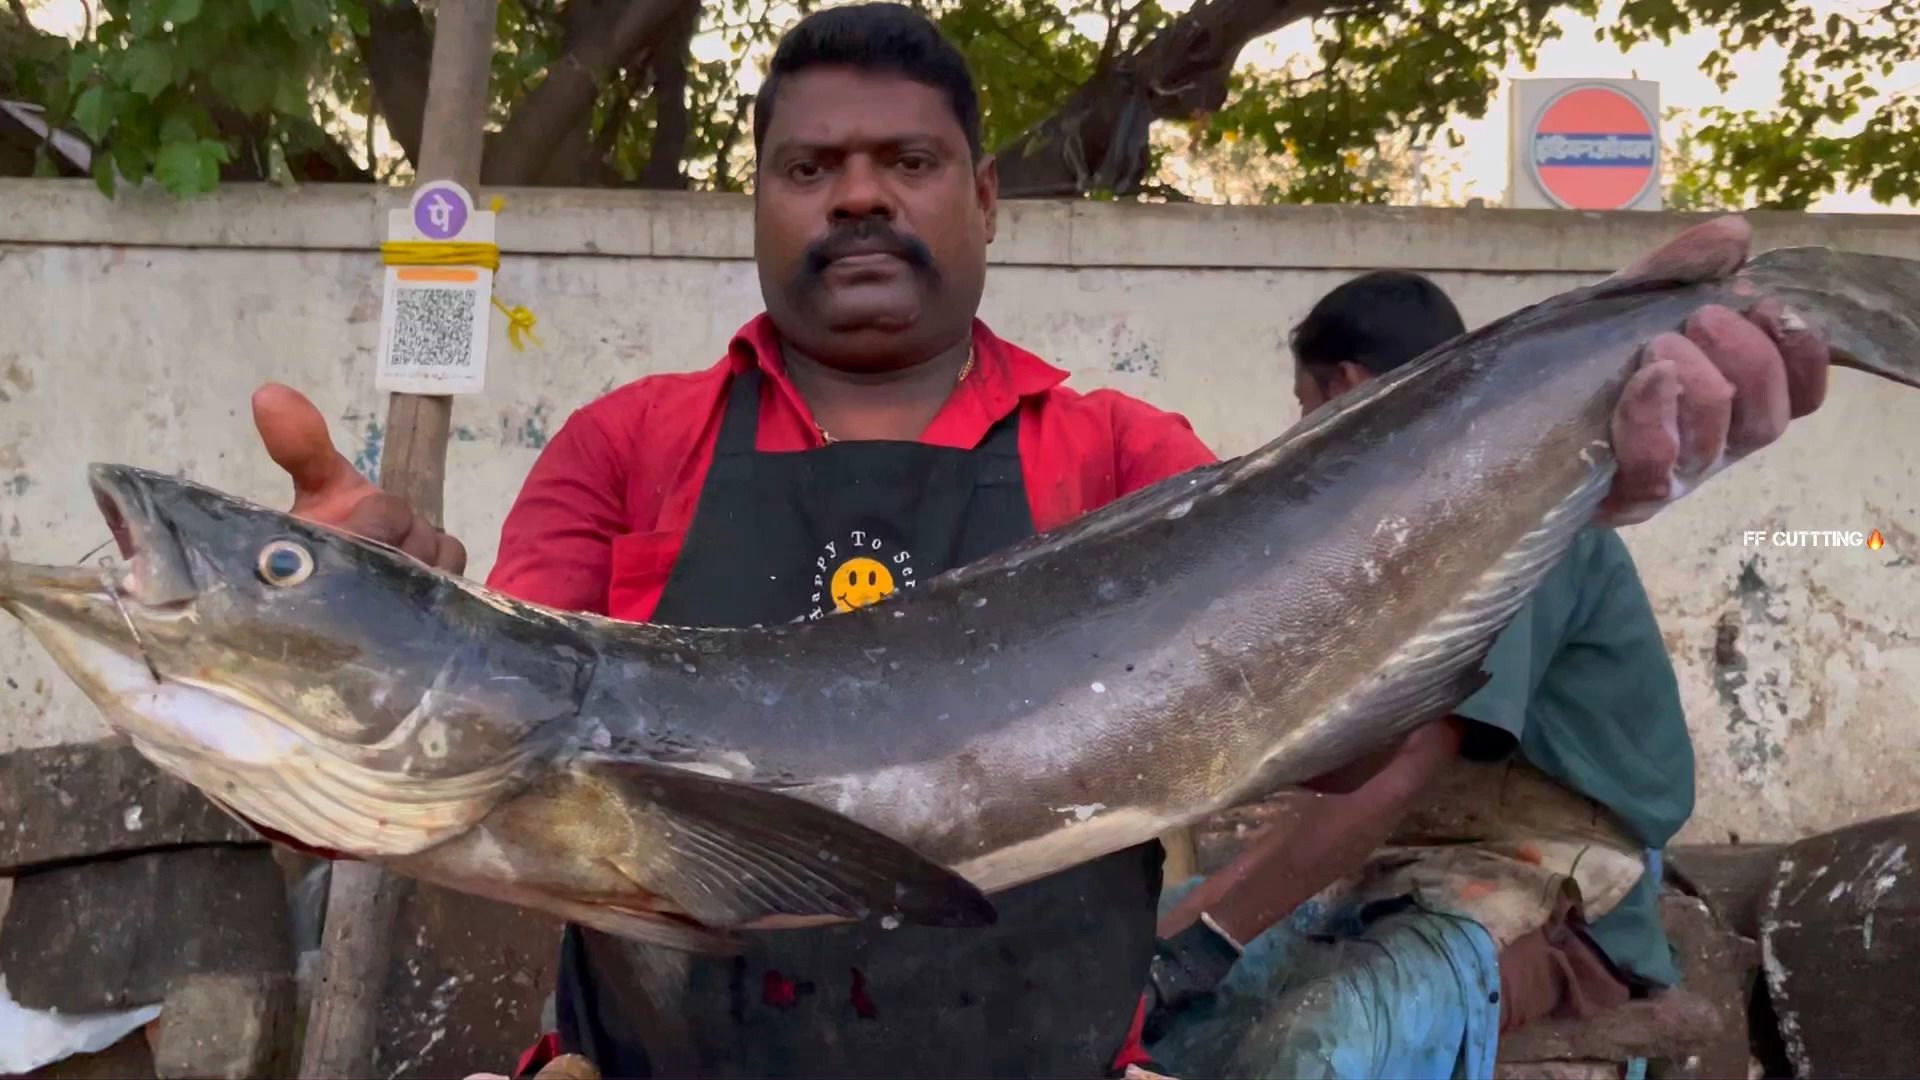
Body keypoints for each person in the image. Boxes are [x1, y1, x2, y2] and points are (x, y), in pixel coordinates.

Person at [245, 5, 1832, 1076]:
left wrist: (1556, 487)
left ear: (985, 198)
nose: (857, 200)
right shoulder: (623, 445)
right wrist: (355, 641)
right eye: (810, 169)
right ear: (756, 202)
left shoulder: (1131, 458)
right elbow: (456, 775)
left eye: (907, 163)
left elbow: (1355, 747)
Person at [1135, 271, 1700, 1078]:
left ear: (1348, 388)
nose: (1304, 436)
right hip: (1405, 877)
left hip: (1557, 903)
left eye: (1306, 411)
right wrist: (1172, 939)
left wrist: (1211, 939)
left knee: (1314, 1047)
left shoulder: (1516, 515)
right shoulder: (1403, 549)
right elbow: (1334, 811)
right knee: (1123, 955)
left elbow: (1401, 774)